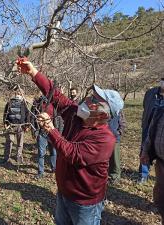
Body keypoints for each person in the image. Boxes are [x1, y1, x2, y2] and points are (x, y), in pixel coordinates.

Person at [17, 59, 123, 225]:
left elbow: (72, 153)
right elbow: (56, 96)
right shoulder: (76, 115)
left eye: (95, 101)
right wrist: (33, 72)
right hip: (64, 193)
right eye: (91, 96)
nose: (88, 100)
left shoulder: (105, 139)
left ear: (104, 114)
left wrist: (50, 129)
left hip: (85, 204)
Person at [140, 99, 164, 224]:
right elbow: (151, 132)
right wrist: (145, 151)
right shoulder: (160, 110)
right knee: (160, 196)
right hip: (160, 162)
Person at [139, 77, 164, 183]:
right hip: (148, 126)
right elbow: (145, 106)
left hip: (161, 130)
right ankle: (143, 174)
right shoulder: (150, 93)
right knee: (144, 150)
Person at [31, 94, 59, 179]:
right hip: (41, 132)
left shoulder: (53, 104)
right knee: (41, 153)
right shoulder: (37, 104)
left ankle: (54, 169)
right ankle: (40, 172)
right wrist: (34, 131)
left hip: (51, 132)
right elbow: (32, 117)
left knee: (53, 152)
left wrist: (57, 131)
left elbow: (56, 118)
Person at [3, 86, 29, 165]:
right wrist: (5, 123)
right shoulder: (10, 102)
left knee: (16, 143)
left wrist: (27, 125)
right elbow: (5, 113)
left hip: (19, 126)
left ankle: (18, 157)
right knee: (11, 143)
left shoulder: (24, 103)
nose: (19, 95)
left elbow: (27, 115)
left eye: (20, 93)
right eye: (19, 93)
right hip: (11, 125)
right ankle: (7, 158)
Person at [108, 110, 126, 184]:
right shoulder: (100, 106)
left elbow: (123, 123)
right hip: (101, 137)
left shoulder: (118, 109)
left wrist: (118, 133)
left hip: (114, 138)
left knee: (115, 159)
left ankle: (115, 177)